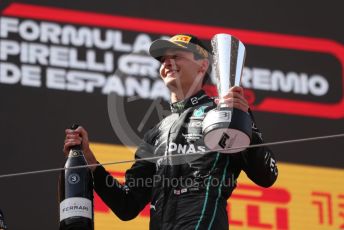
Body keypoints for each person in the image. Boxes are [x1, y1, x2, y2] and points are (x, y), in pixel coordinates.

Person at [63, 34, 278, 230]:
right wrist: (91, 162)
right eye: (163, 59)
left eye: (176, 56)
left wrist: (243, 122)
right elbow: (126, 205)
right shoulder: (155, 133)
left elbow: (267, 175)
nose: (167, 62)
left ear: (202, 65)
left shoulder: (224, 110)